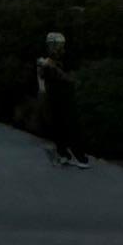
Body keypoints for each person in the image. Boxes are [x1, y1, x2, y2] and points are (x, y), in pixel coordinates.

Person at [33, 33, 86, 166]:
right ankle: (63, 153)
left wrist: (53, 67)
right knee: (56, 125)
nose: (53, 48)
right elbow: (42, 77)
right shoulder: (46, 58)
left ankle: (79, 157)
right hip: (52, 95)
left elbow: (70, 78)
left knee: (71, 124)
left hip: (66, 96)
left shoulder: (68, 58)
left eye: (55, 44)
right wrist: (42, 68)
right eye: (50, 44)